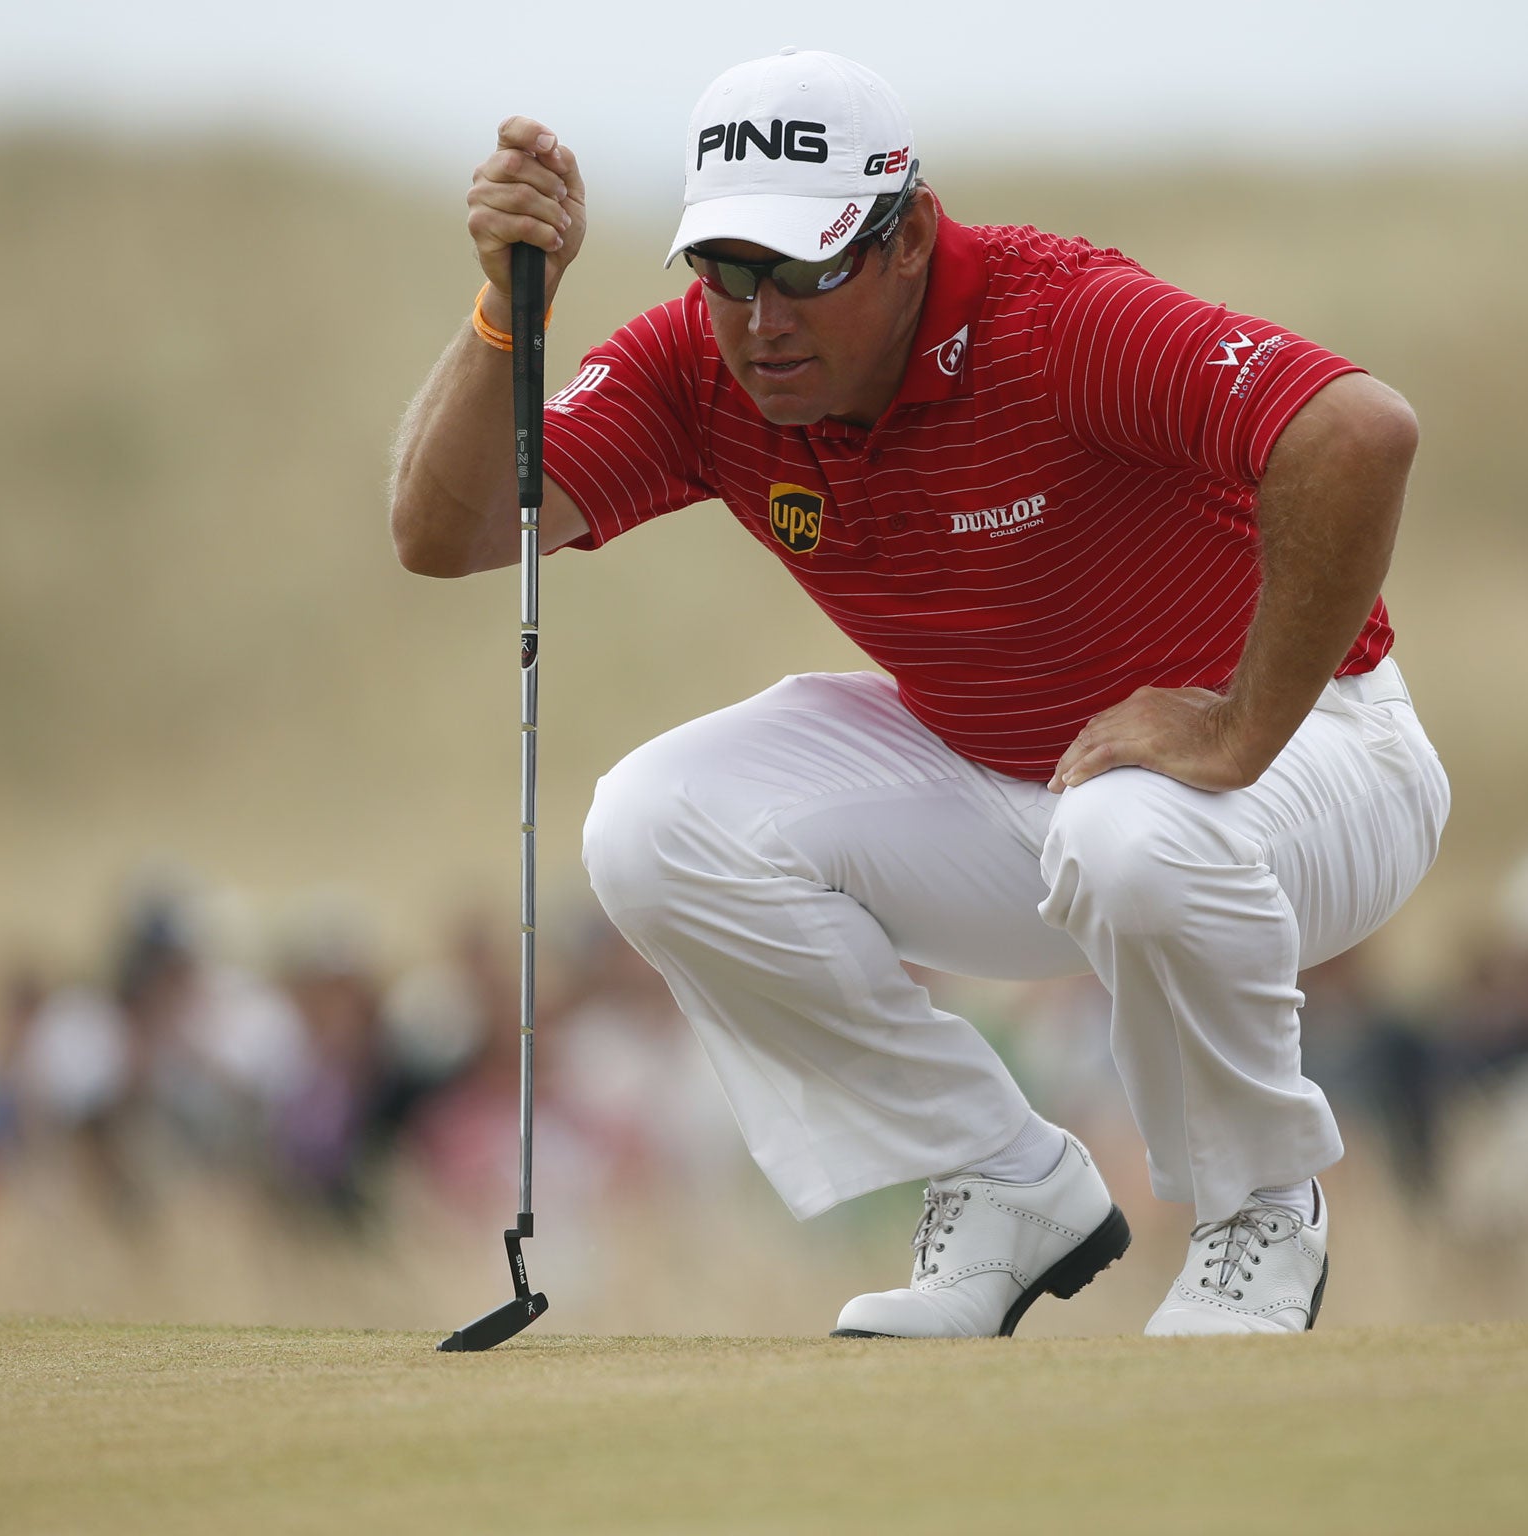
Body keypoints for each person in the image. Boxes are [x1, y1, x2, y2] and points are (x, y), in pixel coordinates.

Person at [389, 49, 1451, 1337]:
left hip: (1317, 767)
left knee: (1130, 830)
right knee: (650, 826)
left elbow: (1356, 432)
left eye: (807, 269)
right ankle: (1009, 1182)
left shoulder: (1057, 318)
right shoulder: (707, 365)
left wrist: (1235, 723)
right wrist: (512, 314)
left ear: (908, 239)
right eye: (727, 270)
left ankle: (1261, 1214)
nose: (762, 317)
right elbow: (446, 529)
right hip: (1024, 787)